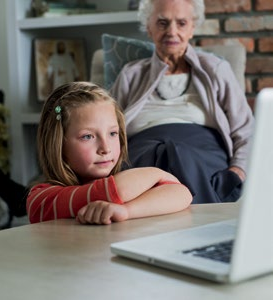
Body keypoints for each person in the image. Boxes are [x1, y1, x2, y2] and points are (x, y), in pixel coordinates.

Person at [110, 0, 254, 204]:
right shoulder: (131, 74)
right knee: (162, 156)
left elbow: (246, 130)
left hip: (203, 155)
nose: (172, 31)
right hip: (142, 153)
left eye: (181, 23)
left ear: (192, 28)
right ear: (148, 28)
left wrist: (238, 171)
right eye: (162, 22)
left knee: (178, 154)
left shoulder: (216, 69)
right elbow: (107, 125)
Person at [26, 82, 192, 225]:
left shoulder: (130, 187)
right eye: (88, 136)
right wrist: (156, 173)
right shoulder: (41, 199)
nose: (105, 148)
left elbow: (182, 194)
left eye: (112, 133)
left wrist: (125, 211)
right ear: (58, 143)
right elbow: (117, 189)